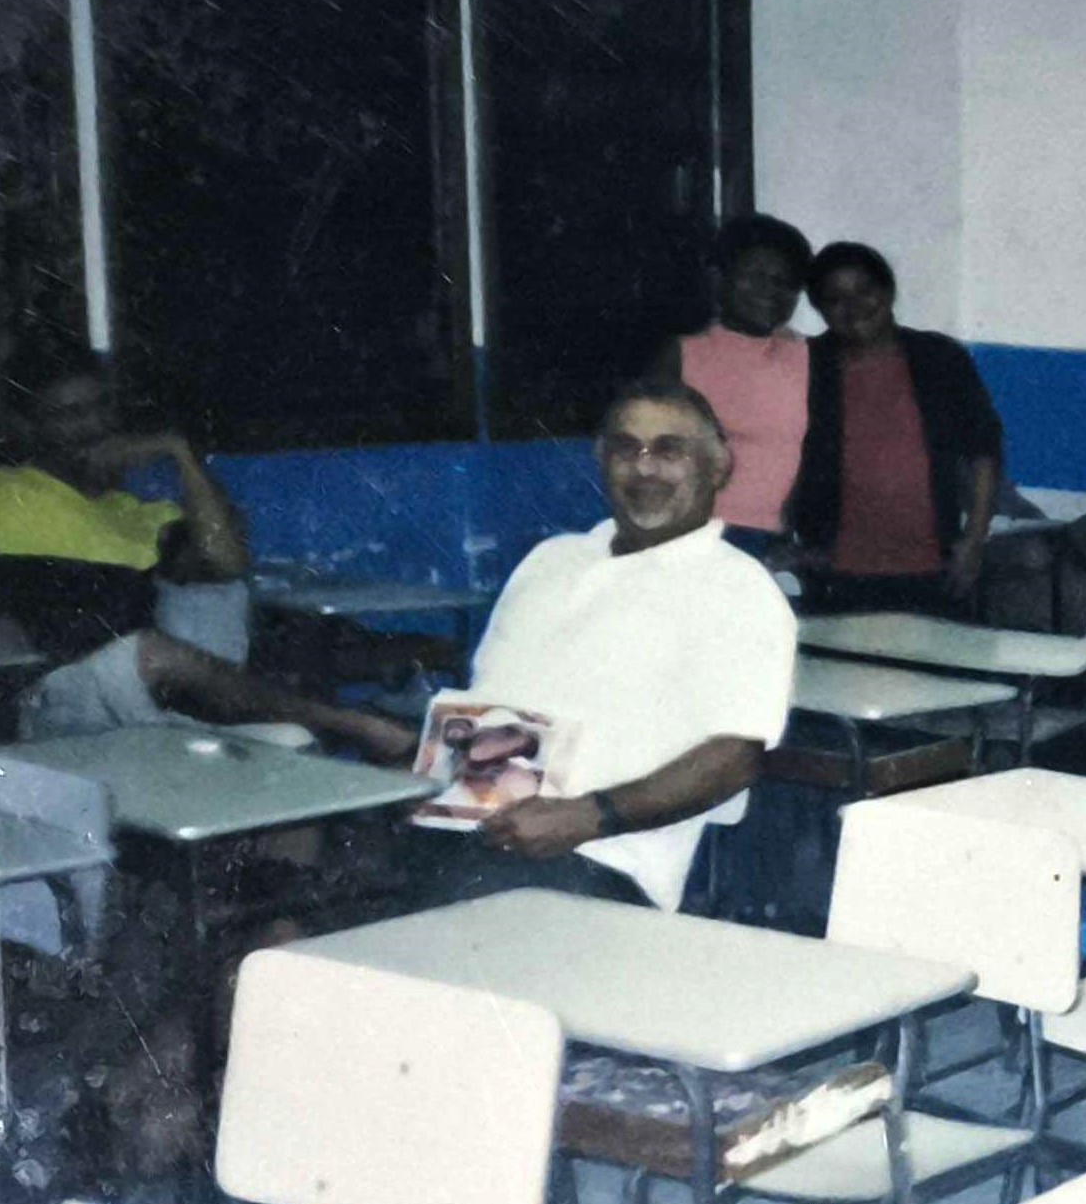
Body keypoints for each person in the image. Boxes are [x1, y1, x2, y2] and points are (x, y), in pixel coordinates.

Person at [424, 380, 796, 911]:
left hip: (600, 857)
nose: (644, 468)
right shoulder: (551, 560)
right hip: (469, 828)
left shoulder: (738, 589)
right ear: (602, 461)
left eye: (670, 450)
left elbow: (734, 758)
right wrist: (434, 771)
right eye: (626, 448)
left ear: (718, 467)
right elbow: (490, 702)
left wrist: (587, 816)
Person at [0, 340, 412, 756]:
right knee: (145, 651)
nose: (94, 426)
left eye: (102, 407)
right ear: (29, 425)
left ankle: (327, 728)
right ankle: (350, 723)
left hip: (152, 698)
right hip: (51, 693)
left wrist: (180, 454)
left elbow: (227, 562)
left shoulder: (142, 512)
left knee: (288, 742)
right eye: (70, 414)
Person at [786, 242, 1004, 615]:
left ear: (888, 292)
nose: (853, 307)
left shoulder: (938, 357)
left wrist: (974, 541)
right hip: (836, 571)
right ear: (819, 309)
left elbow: (984, 448)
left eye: (864, 291)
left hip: (935, 568)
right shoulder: (806, 364)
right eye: (835, 298)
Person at [656, 213, 812, 551]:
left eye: (785, 282)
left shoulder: (809, 356)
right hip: (700, 536)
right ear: (720, 278)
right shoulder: (683, 355)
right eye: (756, 276)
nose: (770, 291)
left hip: (784, 544)